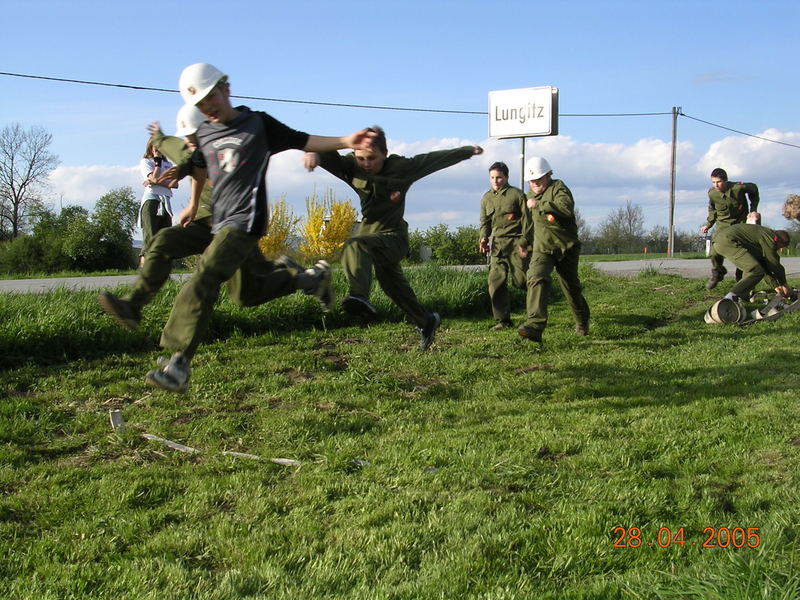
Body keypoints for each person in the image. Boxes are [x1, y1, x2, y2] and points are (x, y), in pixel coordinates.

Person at [141, 62, 376, 393]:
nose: (208, 106)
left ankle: (179, 362)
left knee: (205, 275)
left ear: (226, 87)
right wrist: (178, 171)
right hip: (222, 225)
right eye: (200, 104)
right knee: (247, 294)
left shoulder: (258, 124)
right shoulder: (206, 133)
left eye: (211, 97)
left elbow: (302, 139)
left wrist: (346, 139)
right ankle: (309, 278)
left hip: (245, 222)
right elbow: (192, 161)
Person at [98, 104, 330, 331]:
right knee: (162, 241)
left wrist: (309, 148)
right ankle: (133, 305)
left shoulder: (237, 145)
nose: (191, 144)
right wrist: (158, 137)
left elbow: (288, 139)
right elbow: (172, 144)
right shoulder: (188, 149)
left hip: (234, 228)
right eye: (188, 139)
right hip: (201, 225)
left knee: (247, 293)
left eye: (195, 137)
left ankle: (304, 278)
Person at [304, 126, 483, 350]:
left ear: (385, 153)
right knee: (393, 288)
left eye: (372, 158)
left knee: (355, 245)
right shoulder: (352, 166)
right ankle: (426, 321)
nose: (366, 164)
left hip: (394, 238)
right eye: (361, 158)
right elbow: (326, 153)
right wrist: (314, 154)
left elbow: (433, 160)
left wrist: (466, 151)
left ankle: (359, 297)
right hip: (371, 236)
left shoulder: (401, 168)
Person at [517, 157, 589, 344]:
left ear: (549, 175)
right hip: (543, 249)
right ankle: (535, 326)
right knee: (535, 277)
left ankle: (582, 322)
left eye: (538, 179)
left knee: (571, 288)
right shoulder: (529, 197)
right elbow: (531, 224)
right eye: (531, 181)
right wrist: (523, 242)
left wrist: (540, 205)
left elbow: (566, 208)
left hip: (566, 248)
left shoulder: (559, 188)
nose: (535, 184)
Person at [478, 161, 531, 329]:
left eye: (499, 177)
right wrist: (483, 238)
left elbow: (528, 221)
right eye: (492, 177)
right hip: (497, 245)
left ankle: (536, 313)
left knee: (522, 282)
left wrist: (524, 243)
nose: (495, 181)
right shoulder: (486, 198)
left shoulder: (516, 195)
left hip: (517, 243)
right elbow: (484, 222)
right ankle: (503, 320)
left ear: (506, 177)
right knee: (496, 283)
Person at [699, 168, 760, 289]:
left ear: (726, 180)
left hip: (740, 224)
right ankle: (718, 273)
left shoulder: (738, 188)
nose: (716, 185)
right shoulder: (712, 193)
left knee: (744, 251)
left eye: (719, 182)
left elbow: (754, 189)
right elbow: (712, 209)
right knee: (715, 252)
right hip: (723, 225)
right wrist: (708, 224)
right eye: (713, 182)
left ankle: (741, 280)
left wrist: (753, 209)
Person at [711, 223, 791, 302]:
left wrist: (776, 286)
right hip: (728, 242)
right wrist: (784, 284)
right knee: (756, 270)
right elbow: (773, 263)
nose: (779, 249)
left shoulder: (763, 236)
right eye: (781, 247)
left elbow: (764, 263)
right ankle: (728, 299)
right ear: (779, 241)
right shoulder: (770, 237)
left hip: (720, 241)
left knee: (751, 268)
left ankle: (742, 297)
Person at [138, 141, 178, 259]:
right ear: (150, 147)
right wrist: (157, 163)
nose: (157, 148)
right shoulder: (146, 162)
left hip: (165, 201)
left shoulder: (169, 164)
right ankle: (145, 271)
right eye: (154, 146)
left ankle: (161, 270)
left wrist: (153, 181)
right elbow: (154, 177)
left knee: (165, 237)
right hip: (152, 199)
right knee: (150, 237)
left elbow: (175, 184)